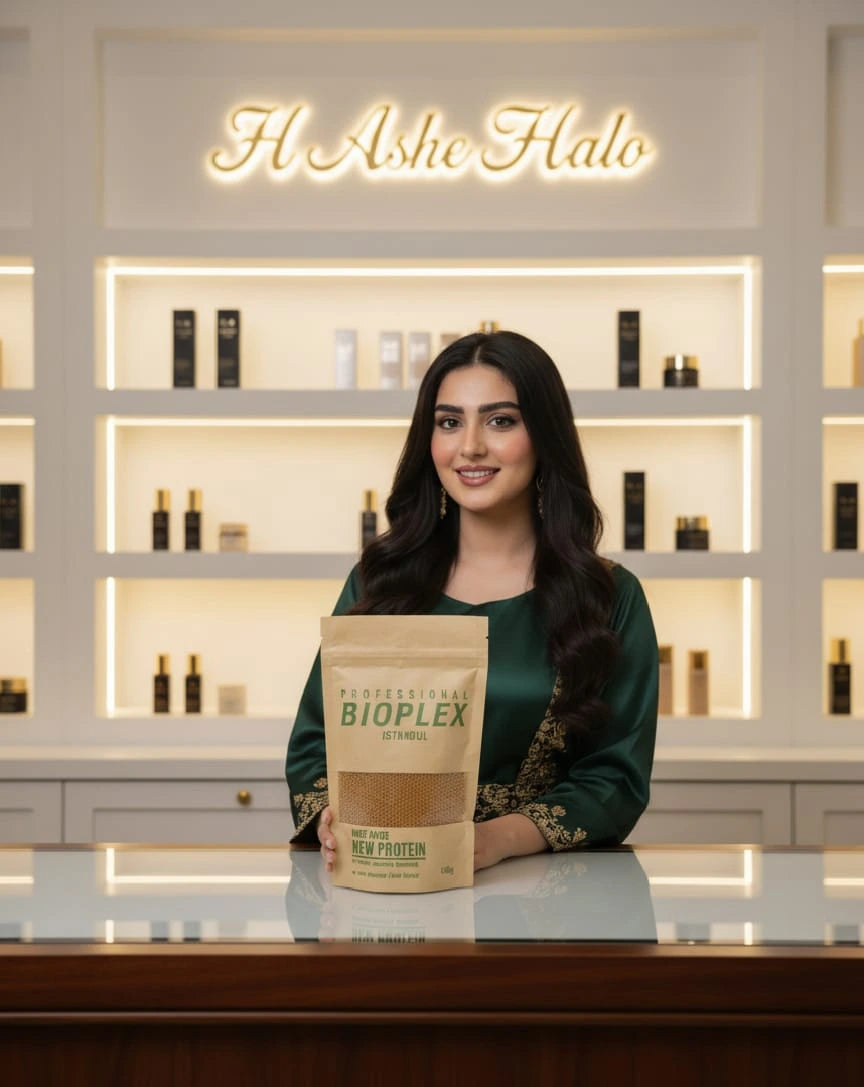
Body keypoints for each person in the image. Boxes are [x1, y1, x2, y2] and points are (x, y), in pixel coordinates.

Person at [285, 330, 658, 873]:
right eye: (449, 422)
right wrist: (329, 821)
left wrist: (496, 840)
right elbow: (314, 745)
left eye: (501, 420)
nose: (471, 447)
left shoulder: (609, 597)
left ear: (544, 435)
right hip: (383, 885)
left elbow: (615, 778)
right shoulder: (379, 583)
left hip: (547, 900)